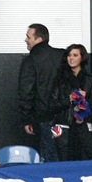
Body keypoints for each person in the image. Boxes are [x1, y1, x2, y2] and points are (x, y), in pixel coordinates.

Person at [18, 23, 69, 161]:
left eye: (28, 37)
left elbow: (25, 92)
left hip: (44, 118)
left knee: (50, 160)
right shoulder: (63, 55)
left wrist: (27, 119)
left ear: (39, 39)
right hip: (67, 118)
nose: (25, 40)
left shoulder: (30, 60)